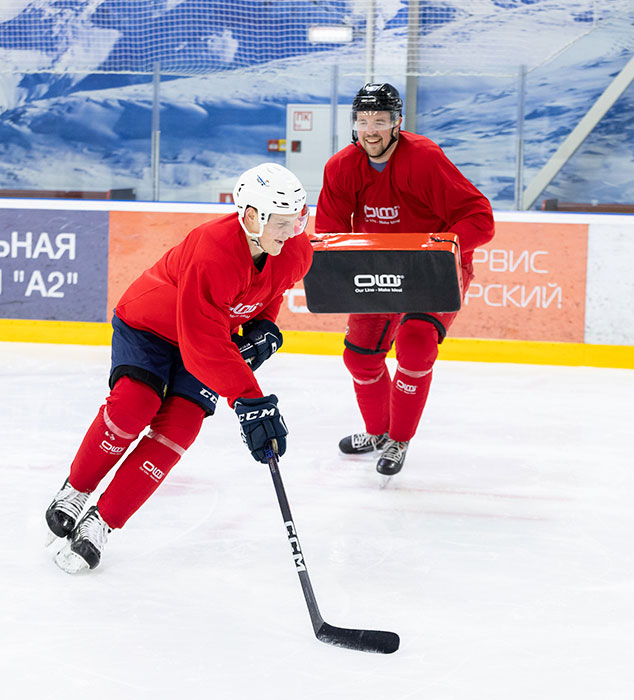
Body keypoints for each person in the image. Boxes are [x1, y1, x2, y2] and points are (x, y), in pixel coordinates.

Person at [45, 162, 312, 573]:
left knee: (180, 429)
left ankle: (103, 521)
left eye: (297, 219)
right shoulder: (213, 250)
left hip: (206, 337)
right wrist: (250, 400)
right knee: (134, 406)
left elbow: (269, 290)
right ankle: (77, 489)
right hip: (150, 327)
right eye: (282, 221)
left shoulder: (295, 249)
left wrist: (265, 326)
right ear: (251, 216)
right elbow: (202, 343)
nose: (291, 230)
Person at [315, 83, 495, 477]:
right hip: (378, 266)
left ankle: (399, 438)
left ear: (397, 123)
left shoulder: (424, 159)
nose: (371, 131)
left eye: (380, 121)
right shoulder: (341, 167)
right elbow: (329, 235)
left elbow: (480, 218)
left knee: (415, 344)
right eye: (363, 121)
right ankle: (377, 433)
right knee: (359, 356)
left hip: (433, 270)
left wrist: (437, 250)